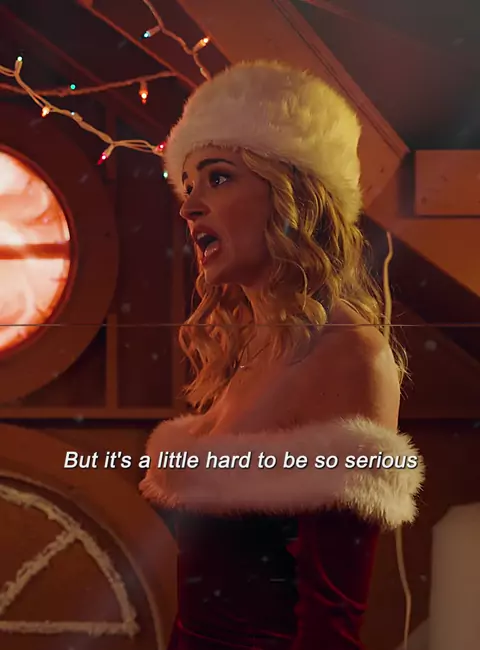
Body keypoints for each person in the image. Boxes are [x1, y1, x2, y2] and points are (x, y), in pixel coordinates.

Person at [139, 60, 425, 649]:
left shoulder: (348, 355)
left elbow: (330, 626)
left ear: (294, 194)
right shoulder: (247, 349)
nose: (189, 206)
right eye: (188, 186)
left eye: (218, 178)